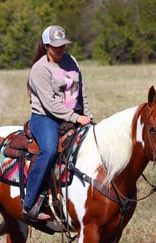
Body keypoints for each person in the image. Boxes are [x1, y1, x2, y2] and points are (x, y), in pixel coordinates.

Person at [23, 25, 93, 221]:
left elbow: (81, 93)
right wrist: (75, 118)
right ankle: (30, 203)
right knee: (49, 150)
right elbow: (50, 103)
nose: (61, 48)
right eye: (56, 45)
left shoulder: (72, 61)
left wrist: (88, 115)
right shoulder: (39, 69)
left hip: (73, 114)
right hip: (46, 117)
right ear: (46, 46)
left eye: (63, 44)